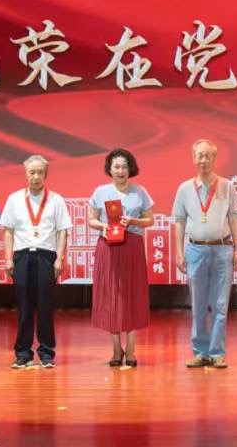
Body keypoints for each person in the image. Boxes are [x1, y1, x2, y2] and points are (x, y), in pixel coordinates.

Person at [173, 139, 237, 368]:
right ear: (194, 159)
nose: (204, 160)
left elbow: (234, 218)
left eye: (208, 156)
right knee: (198, 304)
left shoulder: (227, 186)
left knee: (220, 304)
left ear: (214, 159)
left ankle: (217, 353)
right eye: (199, 155)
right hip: (195, 250)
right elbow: (180, 222)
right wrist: (179, 253)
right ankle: (200, 352)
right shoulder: (184, 188)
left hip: (222, 249)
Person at [0, 155, 71, 369]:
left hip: (46, 256)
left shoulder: (56, 200)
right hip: (22, 256)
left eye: (40, 172)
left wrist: (60, 258)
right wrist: (8, 258)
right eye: (32, 172)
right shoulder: (14, 199)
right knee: (24, 306)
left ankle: (46, 353)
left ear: (45, 175)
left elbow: (62, 231)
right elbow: (8, 230)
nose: (36, 176)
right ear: (26, 174)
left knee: (45, 306)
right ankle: (23, 353)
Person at [89, 148, 155, 367]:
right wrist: (104, 226)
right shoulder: (100, 192)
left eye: (124, 167)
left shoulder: (140, 192)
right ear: (109, 169)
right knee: (111, 295)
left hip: (132, 247)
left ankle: (132, 348)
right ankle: (116, 348)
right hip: (108, 246)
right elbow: (91, 219)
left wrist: (133, 221)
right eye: (116, 166)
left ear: (130, 169)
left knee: (132, 295)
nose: (120, 171)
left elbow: (150, 220)